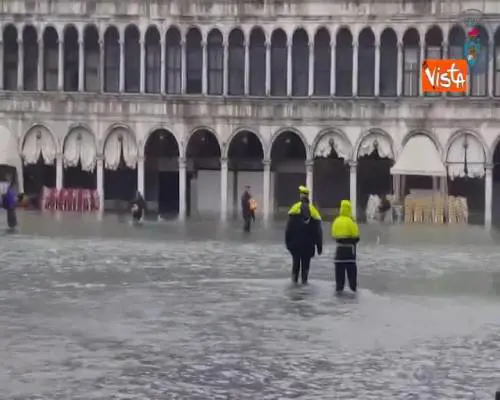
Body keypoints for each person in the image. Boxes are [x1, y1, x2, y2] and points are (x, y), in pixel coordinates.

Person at [285, 185, 323, 284]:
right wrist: (319, 246)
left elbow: (288, 229)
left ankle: (294, 284)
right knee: (305, 267)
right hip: (308, 246)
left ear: (301, 196)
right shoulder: (314, 211)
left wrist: (288, 243)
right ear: (308, 196)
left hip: (295, 245)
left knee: (295, 266)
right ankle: (304, 284)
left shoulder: (294, 209)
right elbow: (318, 231)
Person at [331, 200, 360, 294]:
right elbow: (356, 237)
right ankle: (353, 304)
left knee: (339, 285)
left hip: (338, 256)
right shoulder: (351, 221)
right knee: (353, 285)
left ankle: (338, 304)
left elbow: (333, 236)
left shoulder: (336, 221)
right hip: (350, 256)